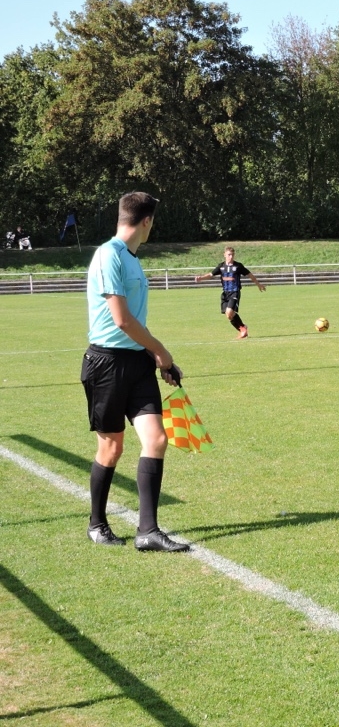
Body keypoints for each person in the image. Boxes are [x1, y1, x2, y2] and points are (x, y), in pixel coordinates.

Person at [81, 191, 189, 552]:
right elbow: (122, 320)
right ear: (147, 221)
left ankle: (148, 531)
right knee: (111, 448)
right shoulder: (108, 255)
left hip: (137, 363)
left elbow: (135, 323)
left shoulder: (132, 258)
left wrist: (160, 361)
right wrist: (161, 349)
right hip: (106, 364)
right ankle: (97, 524)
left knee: (156, 440)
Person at [194, 246, 266, 339]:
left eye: (232, 255)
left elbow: (250, 275)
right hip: (225, 294)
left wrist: (258, 284)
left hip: (234, 292)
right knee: (229, 315)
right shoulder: (221, 266)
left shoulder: (238, 266)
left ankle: (243, 329)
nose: (231, 257)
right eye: (229, 255)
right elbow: (211, 274)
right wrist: (201, 278)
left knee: (229, 312)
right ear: (224, 255)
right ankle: (242, 328)